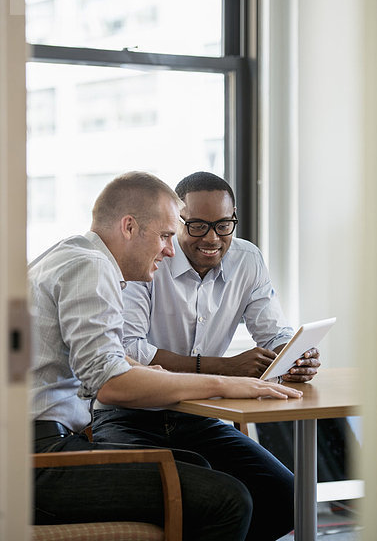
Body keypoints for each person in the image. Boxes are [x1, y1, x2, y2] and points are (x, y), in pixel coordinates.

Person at [31, 171, 303, 541]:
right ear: (129, 227)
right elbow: (110, 384)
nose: (170, 250)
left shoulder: (74, 254)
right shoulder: (92, 268)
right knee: (227, 498)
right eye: (164, 236)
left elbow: (109, 359)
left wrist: (149, 369)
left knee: (203, 470)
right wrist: (225, 381)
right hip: (39, 459)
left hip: (44, 447)